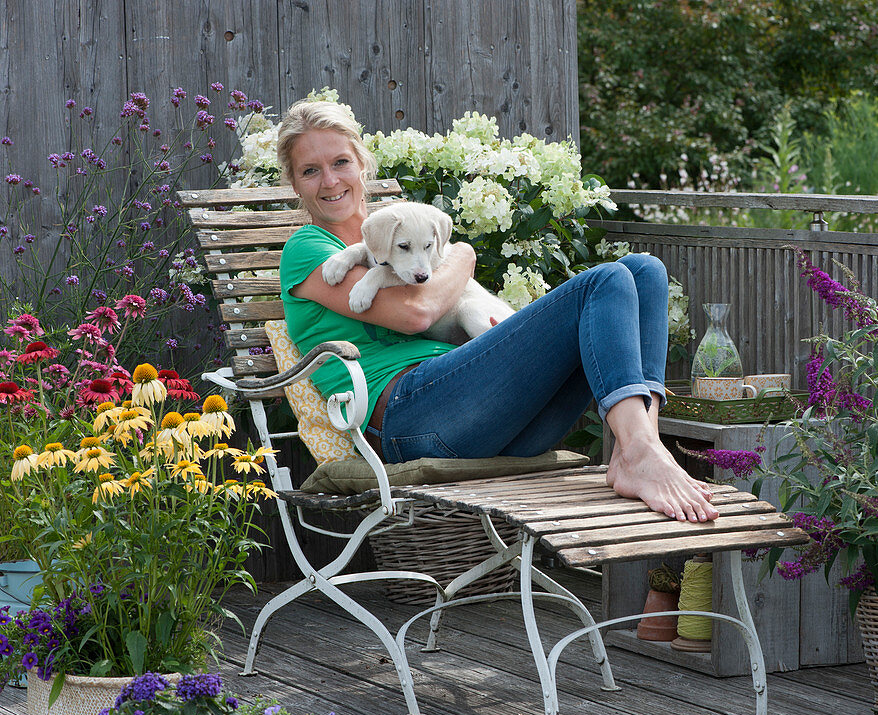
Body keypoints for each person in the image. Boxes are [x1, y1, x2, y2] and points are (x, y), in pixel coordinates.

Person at [276, 99, 718, 523]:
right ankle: (641, 452)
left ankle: (637, 448)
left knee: (645, 271)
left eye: (340, 163)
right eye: (310, 171)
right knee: (605, 281)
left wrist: (453, 256)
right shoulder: (308, 249)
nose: (330, 181)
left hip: (489, 416)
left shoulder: (407, 231)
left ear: (361, 163)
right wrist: (463, 255)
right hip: (414, 421)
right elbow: (417, 313)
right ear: (295, 184)